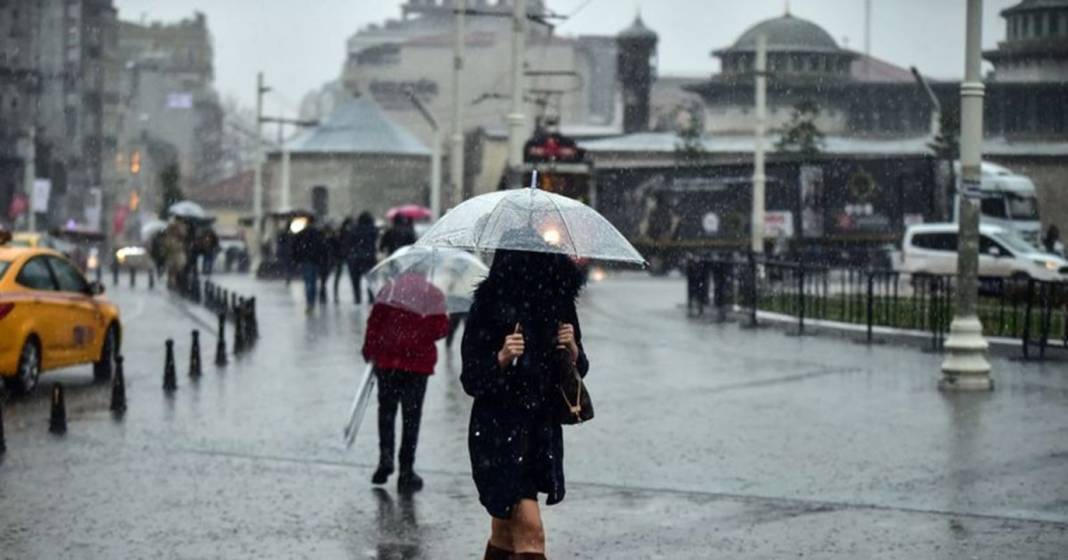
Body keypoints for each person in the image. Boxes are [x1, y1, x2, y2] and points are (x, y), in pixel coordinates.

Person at [461, 242, 588, 560]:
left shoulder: (558, 303)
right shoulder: (489, 305)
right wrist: (502, 357)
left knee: (504, 532)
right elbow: (471, 378)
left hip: (540, 430)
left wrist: (572, 348)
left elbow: (578, 367)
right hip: (498, 430)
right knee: (531, 530)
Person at [361, 274, 450, 492]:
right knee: (412, 417)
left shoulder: (389, 290)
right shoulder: (433, 293)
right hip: (417, 366)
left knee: (386, 412)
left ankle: (385, 458)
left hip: (388, 361)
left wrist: (369, 350)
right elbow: (442, 329)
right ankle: (406, 471)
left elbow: (374, 322)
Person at [342, 212, 379, 304]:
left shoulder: (354, 230)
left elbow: (348, 243)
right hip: (369, 257)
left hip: (355, 258)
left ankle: (357, 298)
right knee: (370, 278)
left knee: (355, 280)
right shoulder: (373, 230)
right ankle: (370, 297)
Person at [291, 217, 326, 311]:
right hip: (315, 260)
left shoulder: (302, 234)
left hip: (306, 260)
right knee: (313, 282)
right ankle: (312, 302)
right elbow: (323, 247)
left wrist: (297, 259)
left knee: (308, 282)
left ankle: (309, 302)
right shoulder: (318, 234)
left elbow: (295, 247)